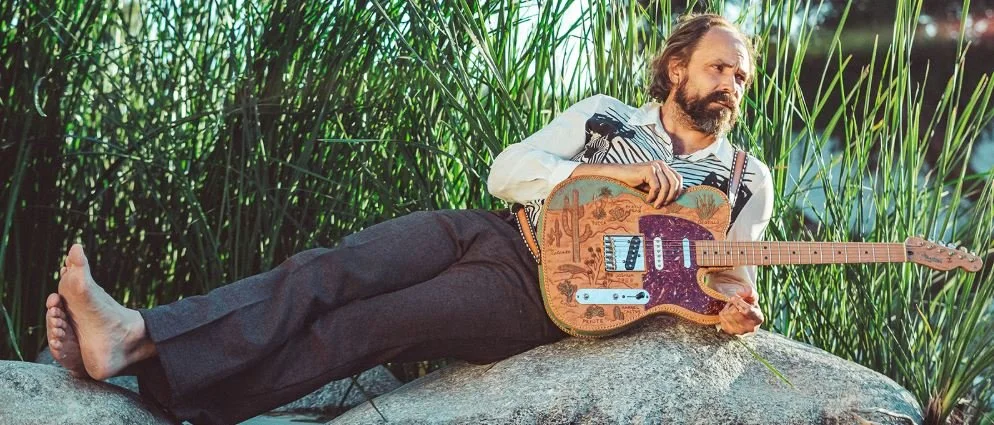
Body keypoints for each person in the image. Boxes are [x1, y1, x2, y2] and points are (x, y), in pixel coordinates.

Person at [44, 13, 771, 424]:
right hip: (496, 230)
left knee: (370, 325)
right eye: (719, 67)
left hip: (541, 298)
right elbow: (506, 171)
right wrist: (607, 174)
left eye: (740, 76)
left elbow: (731, 278)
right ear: (676, 69)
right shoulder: (606, 116)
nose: (731, 84)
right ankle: (136, 338)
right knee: (328, 269)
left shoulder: (745, 180)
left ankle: (160, 385)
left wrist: (734, 311)